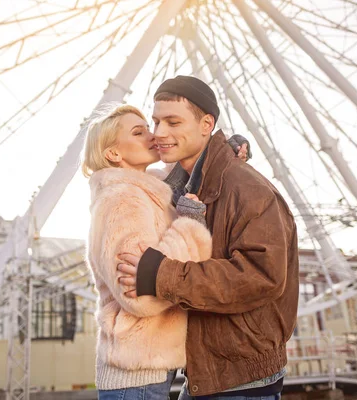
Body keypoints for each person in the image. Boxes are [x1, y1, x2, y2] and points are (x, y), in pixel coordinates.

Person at [117, 75, 299, 400]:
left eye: (173, 121)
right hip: (207, 373)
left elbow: (261, 276)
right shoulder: (182, 187)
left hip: (241, 381)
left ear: (206, 124)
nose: (160, 132)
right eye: (156, 121)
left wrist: (160, 275)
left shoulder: (248, 189)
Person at [82, 103, 247, 400]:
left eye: (149, 126)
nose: (153, 135)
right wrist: (188, 224)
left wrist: (222, 154)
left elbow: (185, 173)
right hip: (134, 376)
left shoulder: (150, 192)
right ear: (114, 154)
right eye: (138, 131)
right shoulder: (122, 201)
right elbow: (141, 295)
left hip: (148, 369)